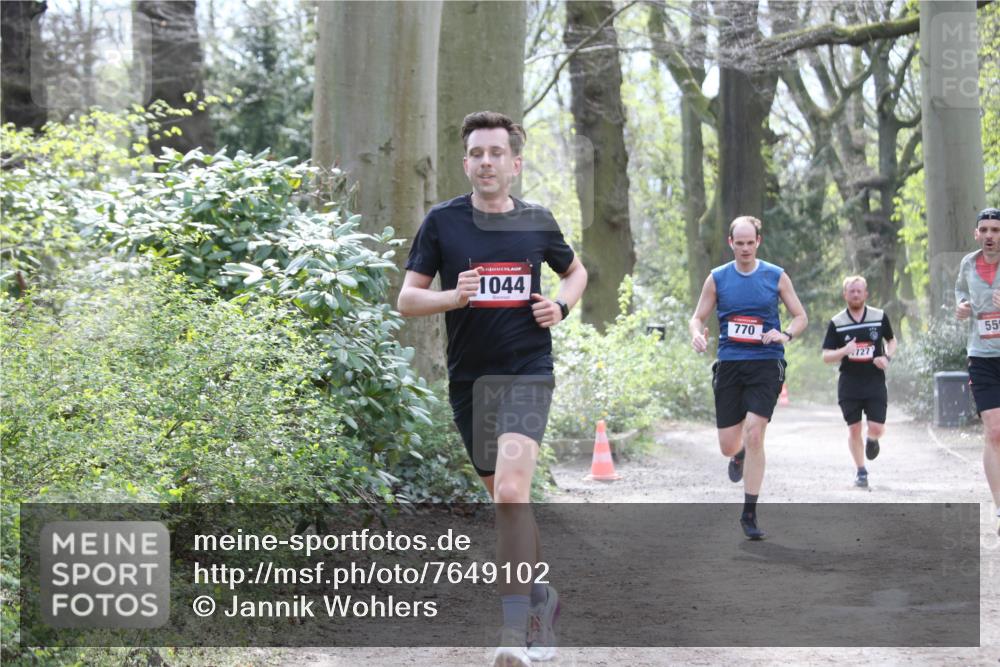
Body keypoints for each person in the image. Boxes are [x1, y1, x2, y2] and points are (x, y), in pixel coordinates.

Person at [397, 111, 587, 666]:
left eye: (496, 153)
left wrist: (562, 306)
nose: (486, 162)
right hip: (470, 383)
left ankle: (515, 631)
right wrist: (453, 297)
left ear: (515, 164)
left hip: (528, 371)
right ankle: (540, 598)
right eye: (477, 153)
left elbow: (576, 272)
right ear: (466, 163)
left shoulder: (537, 221)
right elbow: (407, 300)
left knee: (509, 492)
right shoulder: (442, 222)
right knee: (509, 502)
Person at [689, 216, 807, 540]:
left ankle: (749, 513)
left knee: (755, 433)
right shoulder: (717, 278)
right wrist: (696, 334)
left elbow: (800, 316)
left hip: (766, 363)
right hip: (730, 364)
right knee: (729, 445)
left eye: (749, 243)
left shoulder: (775, 276)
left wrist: (785, 334)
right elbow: (697, 317)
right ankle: (738, 454)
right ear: (730, 243)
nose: (744, 249)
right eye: (738, 243)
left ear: (758, 242)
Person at [821, 276, 898, 488]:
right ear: (845, 295)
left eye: (859, 291)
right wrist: (844, 350)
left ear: (866, 294)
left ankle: (872, 439)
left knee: (877, 427)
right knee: (854, 429)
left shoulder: (879, 316)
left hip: (874, 381)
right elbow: (826, 356)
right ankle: (861, 471)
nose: (855, 294)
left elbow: (891, 340)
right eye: (851, 291)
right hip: (849, 383)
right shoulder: (837, 322)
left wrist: (887, 357)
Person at [955, 206, 1000, 535]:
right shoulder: (968, 264)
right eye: (984, 230)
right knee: (994, 432)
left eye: (995, 230)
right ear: (976, 234)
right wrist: (961, 307)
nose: (989, 235)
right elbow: (960, 292)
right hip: (982, 357)